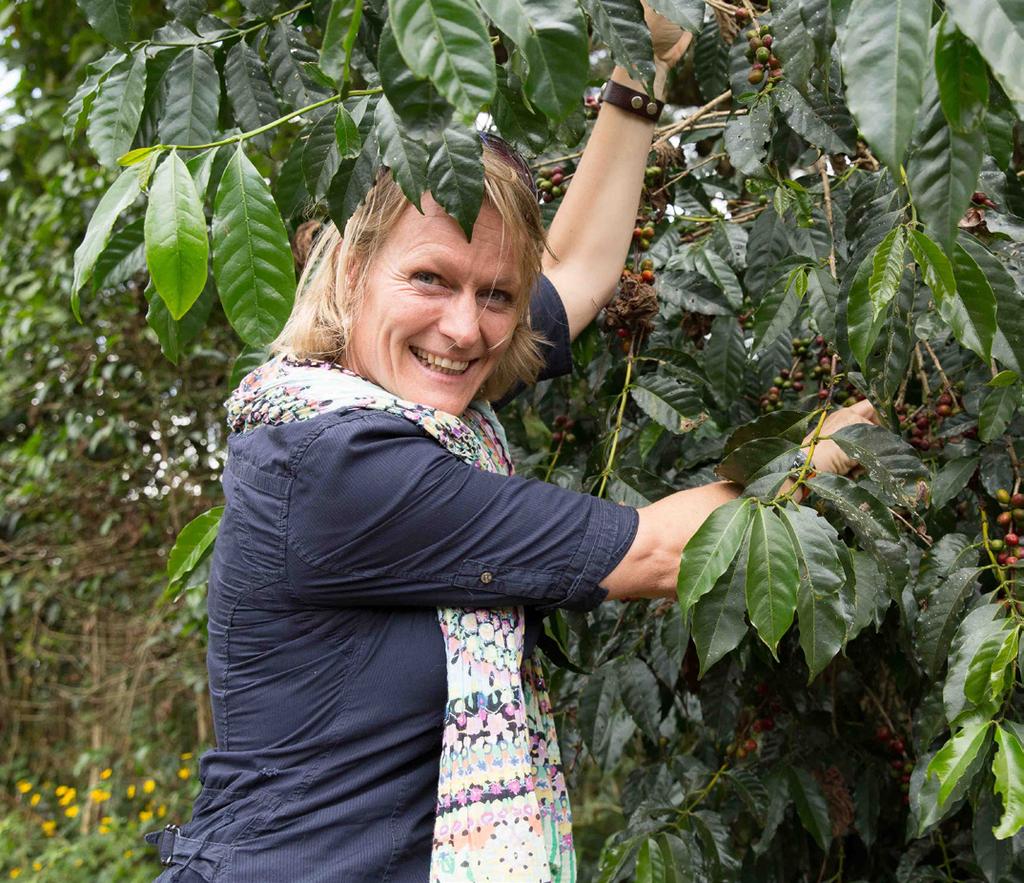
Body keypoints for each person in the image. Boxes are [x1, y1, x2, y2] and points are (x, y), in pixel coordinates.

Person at [146, 12, 878, 883]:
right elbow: (657, 549)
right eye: (430, 278)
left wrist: (647, 69)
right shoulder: (337, 465)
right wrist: (852, 440)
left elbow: (576, 266)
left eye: (496, 293)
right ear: (346, 270)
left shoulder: (410, 398)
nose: (466, 328)